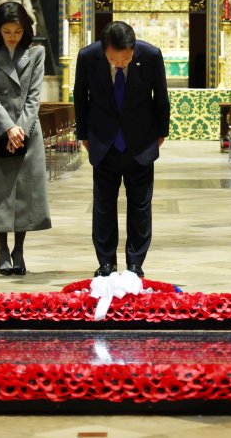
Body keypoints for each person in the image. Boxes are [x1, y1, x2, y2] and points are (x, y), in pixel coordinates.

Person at [73, 21, 170, 278]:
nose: (120, 64)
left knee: (140, 207)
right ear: (104, 50)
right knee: (103, 206)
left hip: (140, 141)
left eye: (126, 59)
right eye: (114, 59)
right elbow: (80, 97)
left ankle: (135, 263)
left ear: (133, 50)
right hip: (103, 142)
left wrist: (161, 132)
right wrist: (83, 134)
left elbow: (160, 94)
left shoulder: (150, 55)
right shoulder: (88, 57)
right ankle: (106, 262)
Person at [0, 2, 51, 275]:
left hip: (28, 130)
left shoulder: (36, 52)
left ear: (25, 29)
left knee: (25, 192)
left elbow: (33, 96)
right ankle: (2, 250)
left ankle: (19, 249)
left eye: (17, 31)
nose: (12, 36)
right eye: (7, 31)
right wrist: (8, 128)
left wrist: (20, 129)